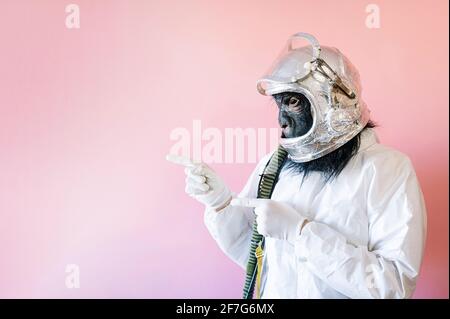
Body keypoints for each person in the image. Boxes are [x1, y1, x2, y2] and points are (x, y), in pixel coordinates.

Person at [167, 32, 427, 299]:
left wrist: (302, 233)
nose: (281, 120)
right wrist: (220, 203)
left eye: (292, 102)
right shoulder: (275, 164)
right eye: (279, 104)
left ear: (332, 101)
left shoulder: (388, 169)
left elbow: (392, 286)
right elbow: (256, 258)